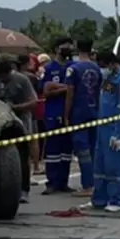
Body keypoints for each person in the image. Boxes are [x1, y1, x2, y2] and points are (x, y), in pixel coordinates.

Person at [0, 56, 37, 203]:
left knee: (21, 156)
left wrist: (16, 107)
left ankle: (23, 189)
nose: (2, 79)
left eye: (4, 76)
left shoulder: (22, 80)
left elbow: (33, 102)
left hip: (20, 122)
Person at [92, 50, 120, 213]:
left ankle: (118, 200)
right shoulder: (106, 78)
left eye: (102, 65)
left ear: (111, 64)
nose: (101, 68)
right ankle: (100, 199)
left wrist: (118, 134)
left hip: (116, 127)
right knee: (100, 165)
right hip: (102, 126)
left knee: (114, 165)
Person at [65, 39, 102, 197]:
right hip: (95, 111)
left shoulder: (73, 69)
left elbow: (70, 93)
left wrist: (66, 115)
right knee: (94, 149)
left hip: (79, 113)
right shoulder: (97, 68)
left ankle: (88, 185)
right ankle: (96, 182)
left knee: (82, 150)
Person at [41, 37, 74, 193]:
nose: (68, 48)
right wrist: (65, 89)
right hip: (52, 113)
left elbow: (75, 89)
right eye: (64, 46)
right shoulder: (49, 68)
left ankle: (63, 182)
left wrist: (60, 88)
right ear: (57, 49)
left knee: (66, 150)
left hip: (69, 114)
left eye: (70, 45)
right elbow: (46, 91)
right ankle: (52, 182)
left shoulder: (73, 66)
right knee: (53, 149)